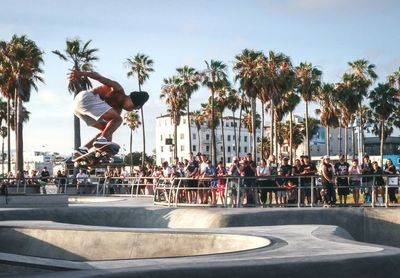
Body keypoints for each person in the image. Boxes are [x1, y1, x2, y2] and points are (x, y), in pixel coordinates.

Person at [69, 70, 149, 155]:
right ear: (130, 98)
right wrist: (82, 73)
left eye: (134, 109)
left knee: (105, 129)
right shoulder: (118, 89)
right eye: (133, 107)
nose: (131, 109)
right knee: (118, 120)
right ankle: (101, 142)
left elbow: (109, 130)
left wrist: (107, 151)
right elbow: (99, 77)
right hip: (85, 98)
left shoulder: (117, 111)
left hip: (77, 109)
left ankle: (83, 149)